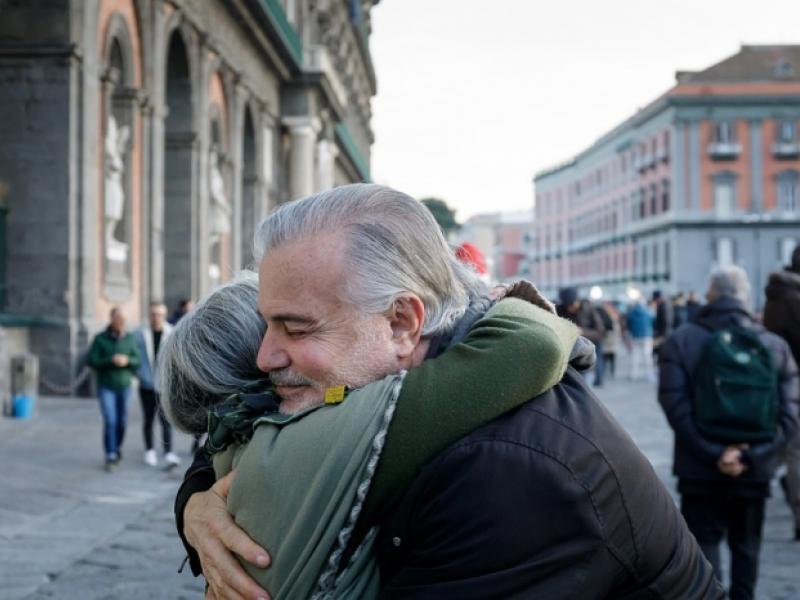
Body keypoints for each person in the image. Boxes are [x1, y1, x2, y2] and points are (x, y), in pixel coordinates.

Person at [175, 184, 722, 599]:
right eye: (267, 324)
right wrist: (196, 507)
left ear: (401, 324)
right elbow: (249, 426)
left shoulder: (507, 471)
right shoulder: (368, 388)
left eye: (296, 329)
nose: (264, 357)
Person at [160, 273, 577, 598]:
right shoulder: (345, 427)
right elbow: (532, 345)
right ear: (270, 373)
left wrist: (193, 503)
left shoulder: (238, 445)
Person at [658, 266, 799, 599]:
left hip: (699, 468)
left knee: (704, 546)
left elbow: (674, 404)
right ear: (746, 298)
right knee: (747, 546)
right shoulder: (774, 345)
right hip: (754, 469)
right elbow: (791, 414)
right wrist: (750, 455)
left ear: (709, 295)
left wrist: (714, 453)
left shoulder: (682, 341)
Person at [763, 245, 800, 540]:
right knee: (794, 451)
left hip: (777, 383)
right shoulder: (794, 300)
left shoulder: (775, 296)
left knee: (786, 447)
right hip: (795, 381)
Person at [87, 306, 141, 470]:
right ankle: (110, 453)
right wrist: (110, 360)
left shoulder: (130, 338)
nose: (122, 323)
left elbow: (137, 360)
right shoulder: (100, 338)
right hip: (107, 386)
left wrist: (128, 361)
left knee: (122, 421)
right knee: (110, 420)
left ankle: (117, 447)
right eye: (119, 319)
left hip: (125, 386)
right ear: (112, 320)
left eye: (124, 320)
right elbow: (92, 360)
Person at [133, 301, 180, 468]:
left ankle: (168, 453)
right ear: (149, 315)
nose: (156, 317)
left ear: (164, 315)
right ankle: (149, 451)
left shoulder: (172, 333)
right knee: (148, 419)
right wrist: (138, 373)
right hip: (146, 385)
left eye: (159, 314)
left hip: (164, 385)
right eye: (153, 314)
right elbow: (133, 356)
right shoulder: (139, 333)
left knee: (166, 420)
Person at [556, 286, 606, 386]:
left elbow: (600, 332)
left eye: (571, 305)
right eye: (567, 306)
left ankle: (599, 380)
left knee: (597, 362)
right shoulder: (561, 309)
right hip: (575, 347)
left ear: (577, 301)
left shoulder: (589, 309)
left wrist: (582, 331)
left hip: (593, 343)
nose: (569, 308)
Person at [626, 298, 655, 381]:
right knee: (647, 356)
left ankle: (633, 374)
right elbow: (653, 323)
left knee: (634, 355)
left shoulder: (631, 313)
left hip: (635, 337)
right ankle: (650, 375)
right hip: (646, 336)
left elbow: (628, 325)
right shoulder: (648, 312)